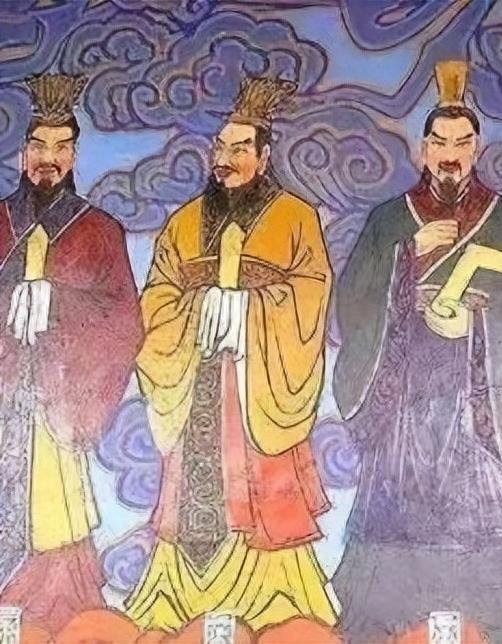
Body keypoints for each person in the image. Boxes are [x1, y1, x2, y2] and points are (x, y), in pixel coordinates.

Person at [332, 60, 502, 643]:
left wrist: (479, 321)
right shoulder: (391, 220)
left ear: (476, 149)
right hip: (406, 398)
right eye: (439, 142)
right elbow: (352, 303)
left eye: (462, 143)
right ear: (424, 149)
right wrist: (405, 259)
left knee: (484, 509)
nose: (450, 155)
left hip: (476, 400)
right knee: (395, 516)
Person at [125, 76, 337, 632]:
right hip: (195, 378)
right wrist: (197, 310)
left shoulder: (295, 217)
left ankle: (272, 606)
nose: (226, 160)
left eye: (240, 149)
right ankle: (176, 600)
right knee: (190, 494)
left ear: (264, 158)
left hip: (257, 381)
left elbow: (312, 291)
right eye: (220, 148)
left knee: (263, 492)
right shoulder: (182, 222)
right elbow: (156, 298)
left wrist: (248, 309)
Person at [0, 73, 142, 633]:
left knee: (55, 510)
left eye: (61, 147)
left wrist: (57, 302)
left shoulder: (100, 230)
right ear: (22, 152)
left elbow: (123, 319)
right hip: (3, 392)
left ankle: (56, 613)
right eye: (38, 146)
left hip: (56, 402)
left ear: (75, 155)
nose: (48, 159)